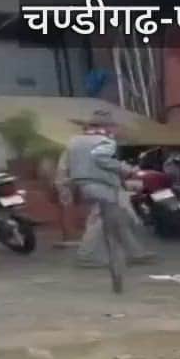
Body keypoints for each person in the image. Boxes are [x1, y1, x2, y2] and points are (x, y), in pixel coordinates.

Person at [67, 109, 154, 268]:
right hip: (101, 184)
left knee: (118, 218)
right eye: (113, 126)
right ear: (106, 127)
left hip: (85, 183)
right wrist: (126, 168)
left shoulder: (75, 141)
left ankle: (136, 253)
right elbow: (101, 159)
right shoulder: (105, 141)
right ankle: (86, 256)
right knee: (100, 220)